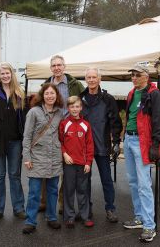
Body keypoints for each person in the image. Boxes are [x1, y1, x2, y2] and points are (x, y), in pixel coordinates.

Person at [122, 63, 160, 242]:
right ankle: (139, 217)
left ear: (146, 76)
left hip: (142, 142)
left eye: (137, 74)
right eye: (132, 74)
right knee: (133, 182)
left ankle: (149, 226)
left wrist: (156, 144)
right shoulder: (132, 93)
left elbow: (159, 120)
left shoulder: (154, 94)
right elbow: (130, 116)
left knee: (144, 184)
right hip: (129, 139)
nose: (133, 77)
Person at [40, 55, 85, 214]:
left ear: (64, 66)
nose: (57, 68)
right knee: (48, 165)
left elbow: (83, 105)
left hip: (69, 131)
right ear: (51, 68)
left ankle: (61, 202)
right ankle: (44, 201)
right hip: (50, 131)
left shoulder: (75, 84)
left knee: (67, 169)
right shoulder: (46, 85)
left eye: (59, 65)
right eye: (54, 65)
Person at [0, 62, 26, 221]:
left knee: (15, 175)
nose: (5, 76)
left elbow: (24, 119)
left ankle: (19, 207)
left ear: (12, 74)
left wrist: (24, 142)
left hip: (15, 142)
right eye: (2, 73)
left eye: (8, 73)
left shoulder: (19, 93)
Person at [80, 68, 122, 222]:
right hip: (84, 148)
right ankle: (86, 209)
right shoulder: (81, 98)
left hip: (102, 146)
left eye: (94, 77)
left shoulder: (107, 99)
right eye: (89, 77)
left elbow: (115, 122)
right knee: (85, 180)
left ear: (99, 79)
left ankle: (110, 209)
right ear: (86, 79)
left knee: (106, 179)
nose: (91, 80)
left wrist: (116, 141)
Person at [21, 83, 64, 234]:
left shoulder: (60, 113)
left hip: (54, 157)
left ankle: (51, 217)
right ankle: (30, 221)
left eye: (52, 93)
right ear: (42, 96)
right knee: (34, 192)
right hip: (37, 157)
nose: (50, 96)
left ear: (56, 95)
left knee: (53, 190)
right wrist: (26, 157)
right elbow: (27, 137)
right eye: (47, 94)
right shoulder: (34, 112)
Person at [59, 96, 94, 228]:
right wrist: (64, 154)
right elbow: (60, 142)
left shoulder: (86, 125)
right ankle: (69, 217)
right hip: (69, 164)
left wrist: (88, 162)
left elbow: (90, 145)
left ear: (81, 108)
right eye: (72, 106)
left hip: (83, 164)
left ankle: (85, 216)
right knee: (68, 190)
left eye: (77, 106)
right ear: (68, 108)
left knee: (83, 190)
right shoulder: (64, 123)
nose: (75, 109)